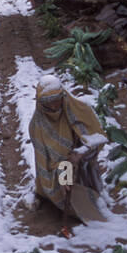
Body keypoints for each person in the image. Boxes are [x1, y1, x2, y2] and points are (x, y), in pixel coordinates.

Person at [28, 76, 107, 223]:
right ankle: (52, 196)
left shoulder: (80, 110)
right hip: (58, 170)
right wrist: (64, 171)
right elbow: (44, 164)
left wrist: (80, 152)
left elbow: (100, 138)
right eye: (48, 103)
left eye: (57, 100)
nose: (54, 106)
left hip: (81, 164)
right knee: (69, 195)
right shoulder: (36, 126)